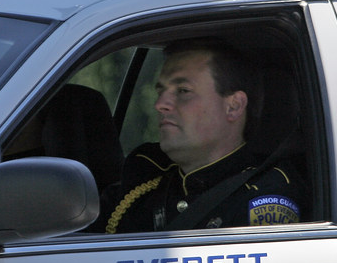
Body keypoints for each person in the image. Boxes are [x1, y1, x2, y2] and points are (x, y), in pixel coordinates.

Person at [103, 38, 302, 233]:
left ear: (233, 106)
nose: (160, 104)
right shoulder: (144, 176)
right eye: (161, 91)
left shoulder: (265, 194)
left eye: (183, 91)